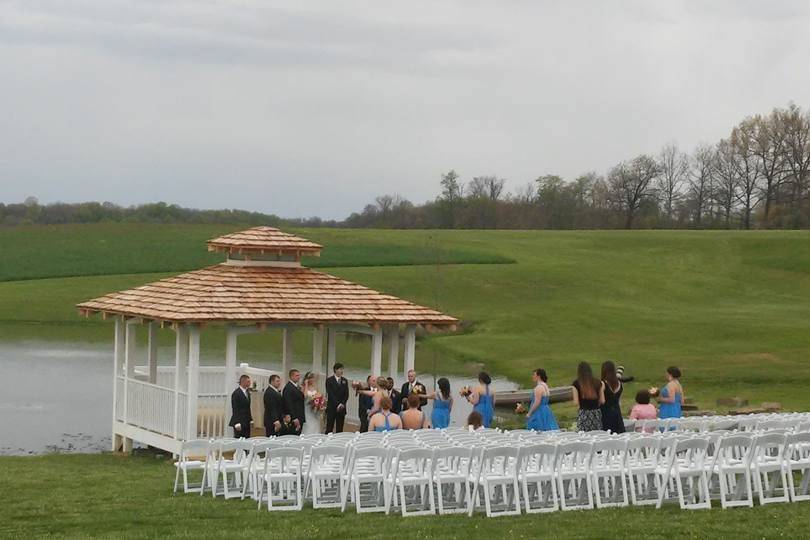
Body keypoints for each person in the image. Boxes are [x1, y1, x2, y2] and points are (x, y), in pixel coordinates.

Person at [571, 362, 605, 432]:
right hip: (596, 413)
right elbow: (602, 400)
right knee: (597, 434)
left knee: (584, 435)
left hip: (584, 413)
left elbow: (576, 402)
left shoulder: (576, 384)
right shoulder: (598, 382)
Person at [600, 361, 625, 434]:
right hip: (617, 413)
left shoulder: (602, 383)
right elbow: (618, 400)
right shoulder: (619, 383)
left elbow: (602, 401)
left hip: (605, 413)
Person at [325, 363, 349, 433]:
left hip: (342, 408)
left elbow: (346, 394)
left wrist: (342, 403)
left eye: (342, 369)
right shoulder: (329, 380)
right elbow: (330, 394)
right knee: (329, 427)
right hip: (332, 407)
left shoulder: (344, 380)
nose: (342, 371)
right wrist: (338, 404)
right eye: (340, 369)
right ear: (336, 370)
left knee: (340, 428)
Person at [229, 374, 252, 438]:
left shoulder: (247, 392)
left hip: (246, 421)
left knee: (247, 438)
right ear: (243, 382)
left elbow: (248, 407)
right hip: (239, 421)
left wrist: (250, 419)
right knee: (239, 439)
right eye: (248, 381)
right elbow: (235, 408)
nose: (250, 383)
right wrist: (237, 422)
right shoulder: (236, 393)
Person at [282, 369, 305, 435]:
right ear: (292, 376)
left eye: (299, 375)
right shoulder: (288, 388)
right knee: (294, 434)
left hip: (300, 415)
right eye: (297, 375)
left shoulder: (296, 386)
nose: (299, 377)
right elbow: (288, 404)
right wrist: (294, 417)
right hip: (294, 417)